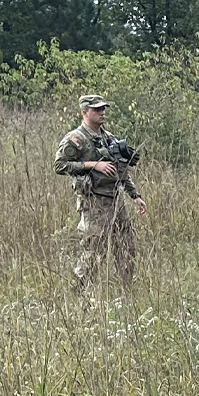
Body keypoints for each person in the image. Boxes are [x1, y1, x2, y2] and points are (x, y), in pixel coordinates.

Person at [53, 94, 147, 288]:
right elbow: (59, 165)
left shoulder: (108, 138)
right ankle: (81, 293)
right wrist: (92, 165)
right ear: (84, 112)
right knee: (93, 252)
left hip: (116, 201)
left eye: (103, 108)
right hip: (94, 203)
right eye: (96, 109)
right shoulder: (76, 139)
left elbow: (121, 170)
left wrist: (135, 196)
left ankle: (127, 291)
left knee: (126, 250)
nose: (102, 112)